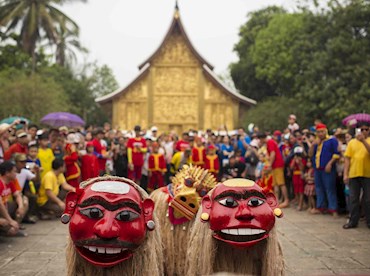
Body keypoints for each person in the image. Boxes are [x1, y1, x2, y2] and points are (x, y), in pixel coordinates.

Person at [308, 123, 340, 216]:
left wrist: (330, 164)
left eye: (322, 132)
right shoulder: (317, 142)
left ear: (326, 131)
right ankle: (321, 207)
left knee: (330, 188)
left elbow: (336, 154)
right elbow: (310, 155)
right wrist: (313, 145)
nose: (320, 134)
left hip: (328, 168)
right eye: (318, 132)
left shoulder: (332, 140)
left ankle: (333, 209)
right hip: (317, 169)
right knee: (319, 188)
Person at [343, 122, 370, 229]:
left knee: (368, 199)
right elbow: (347, 159)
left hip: (367, 174)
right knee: (353, 198)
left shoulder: (367, 141)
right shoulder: (352, 142)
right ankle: (353, 221)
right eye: (361, 129)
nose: (363, 132)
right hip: (354, 173)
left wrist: (363, 141)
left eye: (366, 129)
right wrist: (345, 174)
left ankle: (369, 221)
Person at [259, 133, 290, 208]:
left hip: (278, 165)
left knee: (281, 183)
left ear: (262, 138)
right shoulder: (269, 143)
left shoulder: (270, 142)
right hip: (274, 166)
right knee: (275, 184)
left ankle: (286, 200)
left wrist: (270, 164)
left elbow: (273, 154)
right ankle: (277, 200)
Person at [0, 161, 28, 236]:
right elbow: (0, 204)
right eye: (14, 171)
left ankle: (15, 226)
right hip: (1, 210)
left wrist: (21, 207)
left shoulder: (10, 182)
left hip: (5, 207)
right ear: (7, 173)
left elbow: (17, 195)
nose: (16, 173)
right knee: (8, 228)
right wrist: (9, 220)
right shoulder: (0, 183)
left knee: (24, 200)